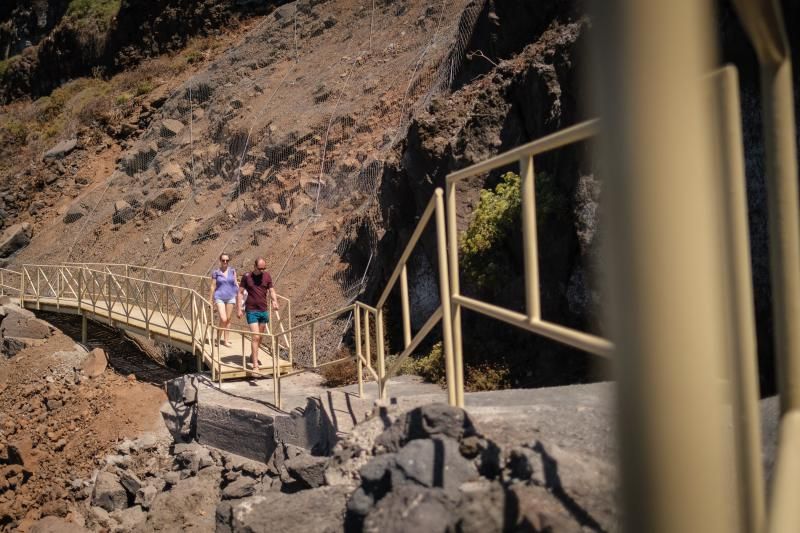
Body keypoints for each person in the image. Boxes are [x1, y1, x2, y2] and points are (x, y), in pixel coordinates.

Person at [237, 257, 279, 373]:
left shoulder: (267, 276)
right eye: (260, 268)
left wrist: (275, 301)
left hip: (263, 310)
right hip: (251, 311)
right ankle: (255, 365)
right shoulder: (247, 277)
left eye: (264, 268)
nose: (262, 270)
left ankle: (252, 355)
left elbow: (271, 290)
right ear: (254, 266)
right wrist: (239, 308)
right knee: (255, 336)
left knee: (260, 337)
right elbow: (240, 293)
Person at [209, 253, 238, 347]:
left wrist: (241, 293)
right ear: (220, 261)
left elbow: (235, 283)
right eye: (223, 260)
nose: (225, 262)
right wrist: (210, 299)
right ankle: (218, 337)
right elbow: (213, 286)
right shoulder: (216, 273)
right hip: (219, 297)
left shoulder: (232, 271)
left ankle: (225, 340)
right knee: (223, 318)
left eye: (227, 260)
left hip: (231, 296)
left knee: (228, 319)